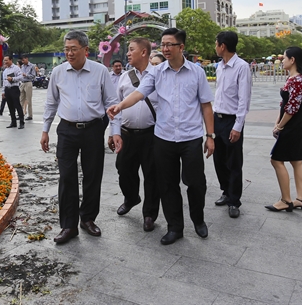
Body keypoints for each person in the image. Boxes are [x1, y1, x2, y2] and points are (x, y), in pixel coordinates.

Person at [108, 28, 215, 246]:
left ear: (181, 47)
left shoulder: (196, 72)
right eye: (163, 44)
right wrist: (120, 106)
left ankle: (198, 220)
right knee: (167, 185)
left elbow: (206, 105)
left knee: (195, 183)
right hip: (164, 138)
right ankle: (175, 227)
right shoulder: (157, 73)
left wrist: (210, 135)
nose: (165, 49)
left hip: (190, 137)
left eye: (170, 45)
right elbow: (138, 94)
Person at [41, 30, 122, 244]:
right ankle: (68, 226)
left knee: (92, 176)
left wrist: (115, 131)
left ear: (85, 50)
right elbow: (51, 102)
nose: (69, 53)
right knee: (66, 177)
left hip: (93, 129)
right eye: (66, 49)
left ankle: (87, 219)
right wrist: (45, 130)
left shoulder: (100, 71)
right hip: (66, 130)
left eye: (73, 49)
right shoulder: (58, 72)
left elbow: (111, 103)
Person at [109, 38, 160, 232]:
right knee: (123, 169)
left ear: (144, 52)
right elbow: (115, 107)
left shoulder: (158, 75)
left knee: (152, 175)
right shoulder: (125, 76)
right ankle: (131, 198)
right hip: (126, 134)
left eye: (131, 50)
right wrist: (113, 132)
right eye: (128, 50)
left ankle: (149, 214)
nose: (128, 53)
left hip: (151, 135)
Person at [265, 46, 302, 212]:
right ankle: (301, 199)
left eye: (284, 58)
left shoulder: (296, 80)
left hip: (292, 125)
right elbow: (285, 105)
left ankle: (286, 200)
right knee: (296, 160)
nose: (282, 61)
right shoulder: (294, 78)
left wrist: (280, 125)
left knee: (276, 159)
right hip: (294, 123)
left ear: (292, 60)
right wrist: (277, 122)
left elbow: (291, 108)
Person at [212, 31, 252, 218]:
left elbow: (244, 99)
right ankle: (226, 192)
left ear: (223, 46)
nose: (215, 46)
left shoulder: (242, 67)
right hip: (217, 118)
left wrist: (238, 126)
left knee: (233, 162)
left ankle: (234, 200)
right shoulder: (220, 66)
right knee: (219, 159)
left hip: (231, 120)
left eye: (216, 44)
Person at [1, 55, 24, 129]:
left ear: (11, 60)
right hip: (7, 89)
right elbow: (4, 82)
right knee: (10, 106)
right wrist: (3, 91)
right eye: (4, 60)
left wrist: (13, 79)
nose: (5, 62)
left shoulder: (16, 68)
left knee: (17, 105)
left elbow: (21, 77)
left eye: (6, 60)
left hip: (14, 88)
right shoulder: (5, 70)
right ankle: (13, 122)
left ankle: (21, 122)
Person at [19, 55, 36, 120]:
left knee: (29, 100)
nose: (22, 61)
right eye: (22, 60)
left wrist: (26, 75)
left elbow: (33, 75)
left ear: (26, 59)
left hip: (28, 82)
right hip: (22, 83)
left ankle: (30, 115)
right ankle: (20, 114)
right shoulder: (22, 66)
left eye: (23, 60)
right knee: (21, 99)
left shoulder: (31, 66)